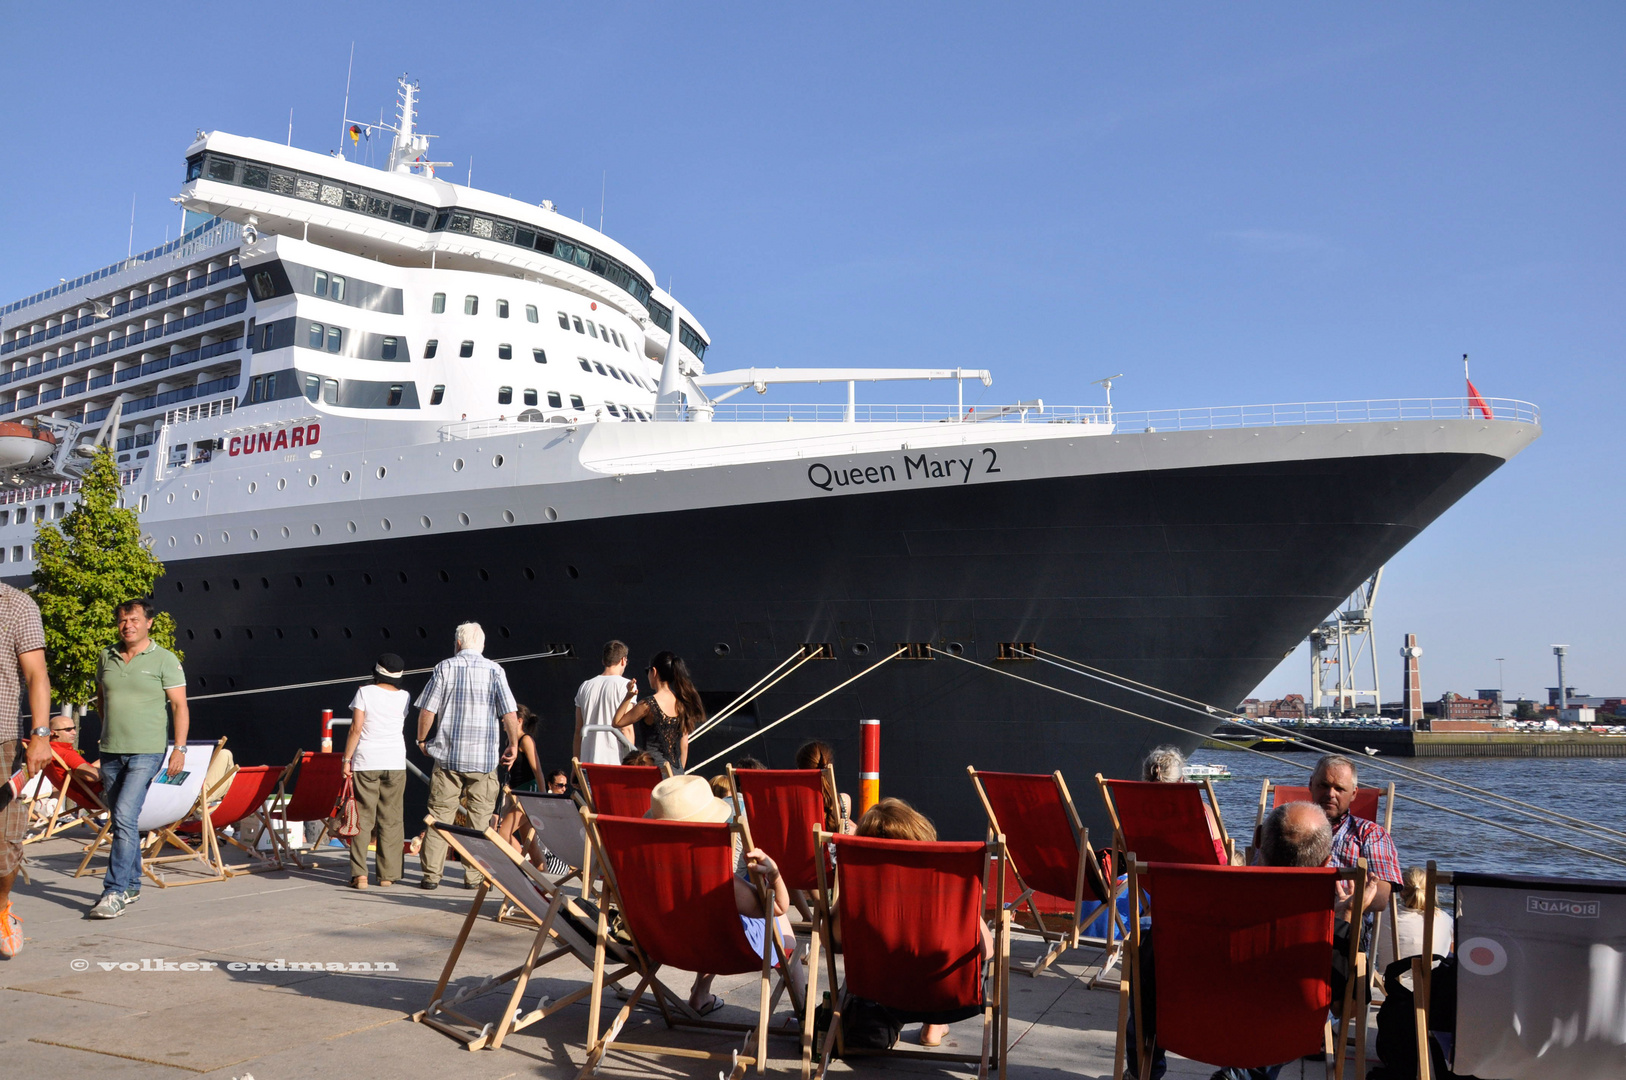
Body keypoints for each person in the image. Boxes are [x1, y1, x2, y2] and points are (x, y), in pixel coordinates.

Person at [1129, 802, 1337, 1080]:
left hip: (1192, 1025)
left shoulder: (1200, 904)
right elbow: (1350, 1002)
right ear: (1326, 862)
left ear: (1257, 839)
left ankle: (1143, 1072)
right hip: (1280, 1034)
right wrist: (1343, 919)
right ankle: (1244, 1075)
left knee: (1147, 940)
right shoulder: (1323, 931)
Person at [644, 773, 799, 1015]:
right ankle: (804, 1012)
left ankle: (700, 995)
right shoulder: (718, 881)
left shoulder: (640, 868)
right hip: (722, 948)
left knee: (708, 917)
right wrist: (775, 874)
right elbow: (778, 906)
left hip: (662, 945)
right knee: (778, 922)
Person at [854, 798, 995, 1047]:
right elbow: (986, 950)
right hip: (947, 997)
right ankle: (933, 1023)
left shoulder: (859, 889)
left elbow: (833, 940)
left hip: (878, 993)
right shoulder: (946, 889)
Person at [88, 598, 188, 920]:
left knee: (125, 815)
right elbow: (102, 698)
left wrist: (179, 749)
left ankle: (114, 891)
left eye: (133, 619)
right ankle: (131, 883)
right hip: (111, 751)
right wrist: (106, 731)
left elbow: (179, 707)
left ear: (148, 623)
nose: (127, 625)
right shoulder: (106, 655)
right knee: (122, 819)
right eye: (122, 620)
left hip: (147, 751)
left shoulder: (164, 659)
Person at [415, 622, 521, 891]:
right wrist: (513, 743)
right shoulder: (496, 670)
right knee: (479, 821)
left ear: (458, 644)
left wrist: (421, 740)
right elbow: (509, 713)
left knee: (439, 816)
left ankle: (431, 876)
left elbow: (428, 710)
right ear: (482, 645)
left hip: (448, 758)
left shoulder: (444, 667)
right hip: (483, 761)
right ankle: (473, 878)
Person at [0, 580, 51, 955]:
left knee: (3, 843)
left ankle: (1, 908)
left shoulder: (16, 605)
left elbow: (37, 675)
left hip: (0, 740)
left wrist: (41, 735)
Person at [341, 653, 409, 890]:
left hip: (367, 761)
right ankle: (387, 876)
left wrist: (346, 759)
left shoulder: (365, 693)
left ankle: (360, 875)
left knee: (362, 818)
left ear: (376, 671)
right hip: (396, 762)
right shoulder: (404, 696)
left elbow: (356, 728)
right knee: (391, 819)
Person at [1310, 754, 1401, 914]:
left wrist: (1344, 904)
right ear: (1311, 785)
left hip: (1345, 924)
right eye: (1323, 785)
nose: (1330, 793)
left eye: (1339, 788)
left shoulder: (1370, 834)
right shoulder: (1286, 825)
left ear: (1353, 793)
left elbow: (1380, 898)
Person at [1140, 744, 1236, 865]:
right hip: (1203, 881)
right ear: (1180, 780)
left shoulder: (1134, 811)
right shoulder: (1200, 810)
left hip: (1152, 880)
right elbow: (1219, 857)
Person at [612, 651, 705, 772]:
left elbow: (617, 722)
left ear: (654, 672)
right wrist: (678, 774)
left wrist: (628, 696)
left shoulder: (648, 704)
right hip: (676, 771)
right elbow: (684, 746)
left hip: (654, 772)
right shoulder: (682, 704)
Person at [1374, 866, 1454, 981]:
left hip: (1389, 984)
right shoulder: (1446, 919)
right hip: (1431, 985)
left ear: (1401, 893)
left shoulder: (1382, 915)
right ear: (1432, 891)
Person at [574, 641, 633, 765]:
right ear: (623, 660)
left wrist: (576, 764)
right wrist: (631, 762)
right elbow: (626, 729)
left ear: (603, 661)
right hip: (615, 760)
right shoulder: (625, 686)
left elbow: (578, 729)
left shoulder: (585, 686)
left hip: (587, 761)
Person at [496, 707, 545, 856]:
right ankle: (541, 872)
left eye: (507, 717)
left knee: (503, 833)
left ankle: (522, 866)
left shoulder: (526, 740)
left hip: (527, 795)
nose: (503, 720)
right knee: (531, 845)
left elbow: (537, 770)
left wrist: (543, 798)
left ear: (519, 721)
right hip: (515, 794)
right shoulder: (510, 742)